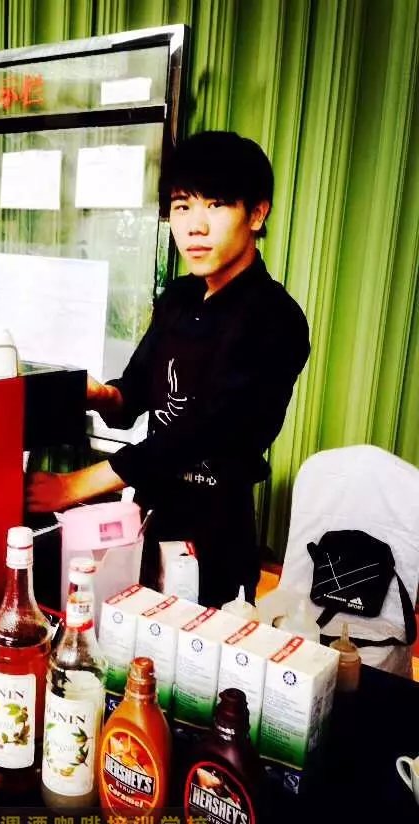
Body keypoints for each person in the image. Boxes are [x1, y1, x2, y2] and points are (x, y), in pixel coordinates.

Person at [27, 131, 310, 607]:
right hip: (149, 518)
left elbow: (203, 433)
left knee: (198, 643)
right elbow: (135, 392)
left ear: (256, 214)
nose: (195, 226)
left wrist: (74, 485)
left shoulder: (275, 319)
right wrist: (100, 394)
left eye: (216, 205)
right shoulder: (178, 298)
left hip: (215, 532)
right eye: (182, 206)